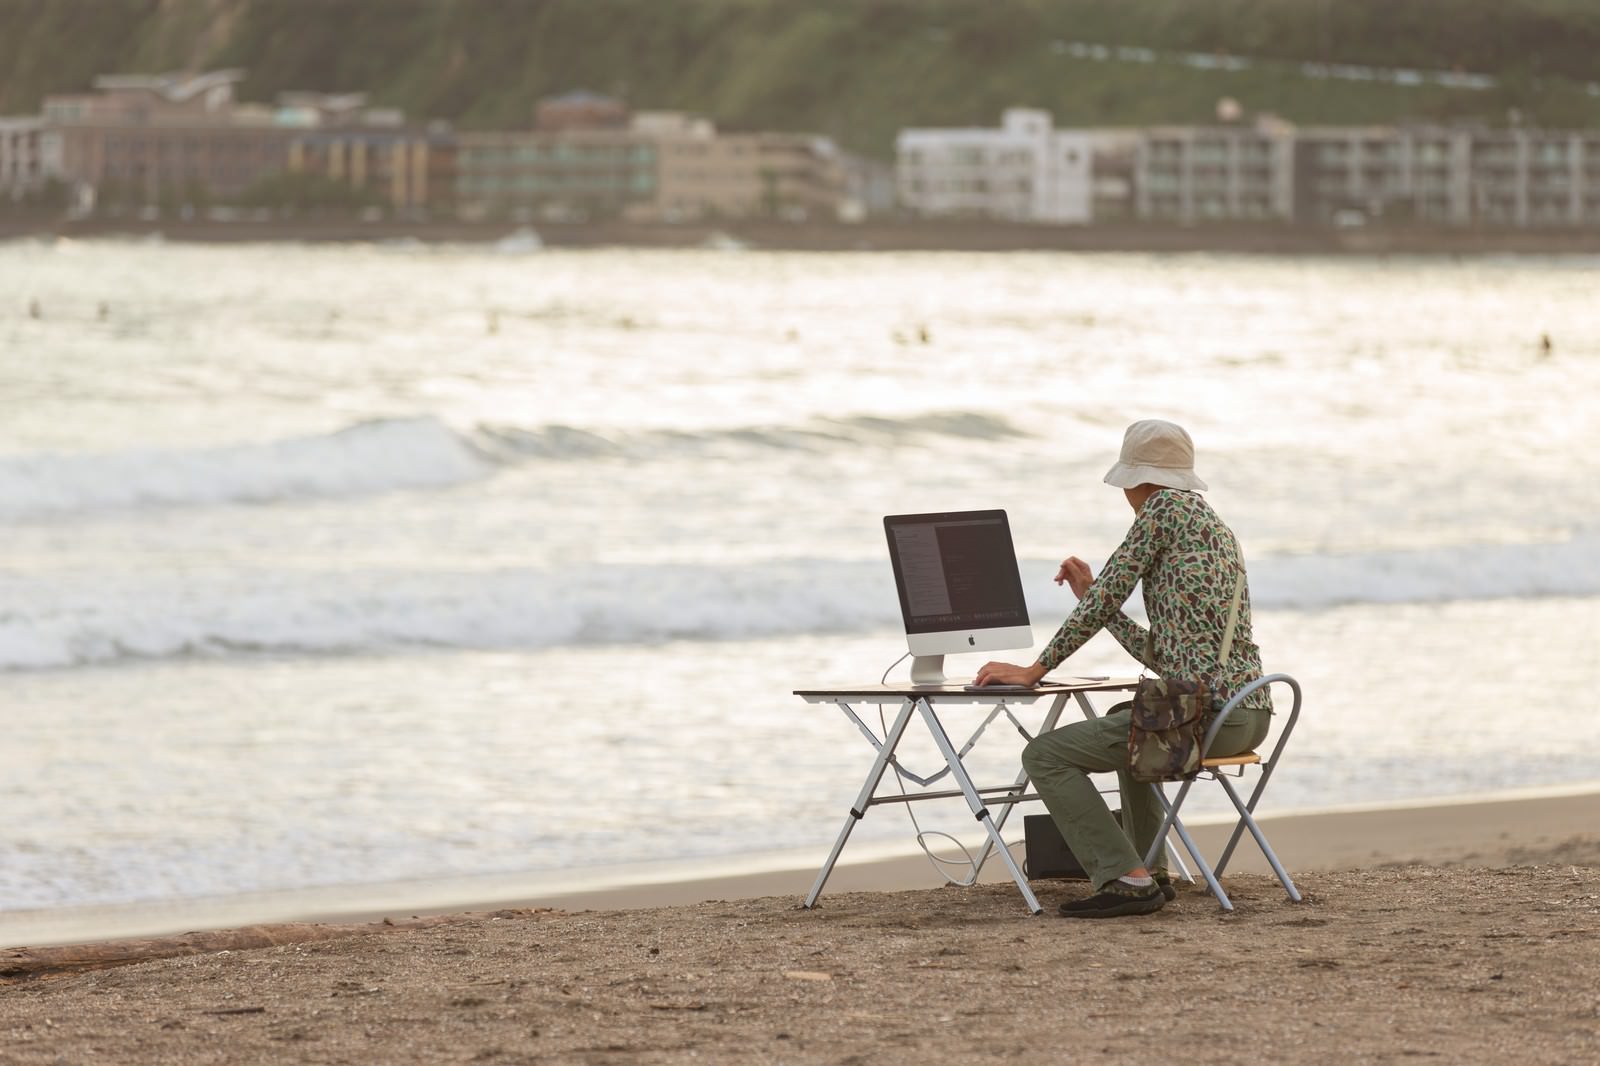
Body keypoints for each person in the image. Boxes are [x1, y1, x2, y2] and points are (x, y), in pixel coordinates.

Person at [975, 419, 1271, 918]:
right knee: (1132, 712)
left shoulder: (1159, 512)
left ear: (1138, 480)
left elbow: (1108, 596)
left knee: (1046, 756)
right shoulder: (1215, 527)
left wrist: (1035, 669)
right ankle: (1149, 868)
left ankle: (1123, 875)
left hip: (1205, 715)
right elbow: (1165, 654)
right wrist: (1093, 595)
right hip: (1250, 711)